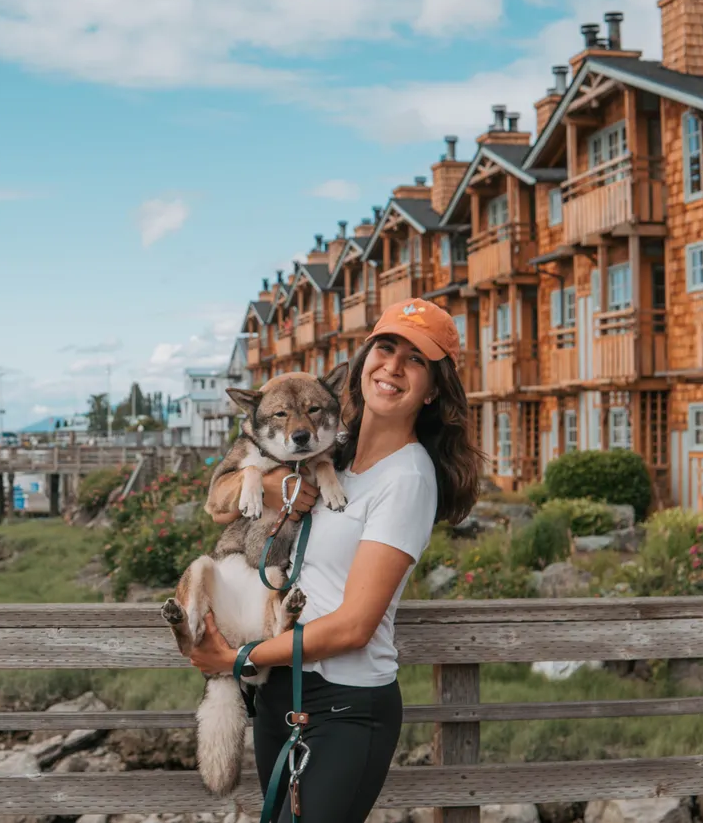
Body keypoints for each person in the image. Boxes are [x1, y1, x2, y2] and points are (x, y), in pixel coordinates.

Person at [190, 297, 484, 823]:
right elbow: (219, 504)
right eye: (386, 347)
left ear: (435, 388)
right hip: (284, 686)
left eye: (416, 359)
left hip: (344, 704)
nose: (393, 366)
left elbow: (353, 627)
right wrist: (278, 485)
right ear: (366, 357)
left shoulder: (407, 478)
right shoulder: (333, 451)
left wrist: (237, 660)